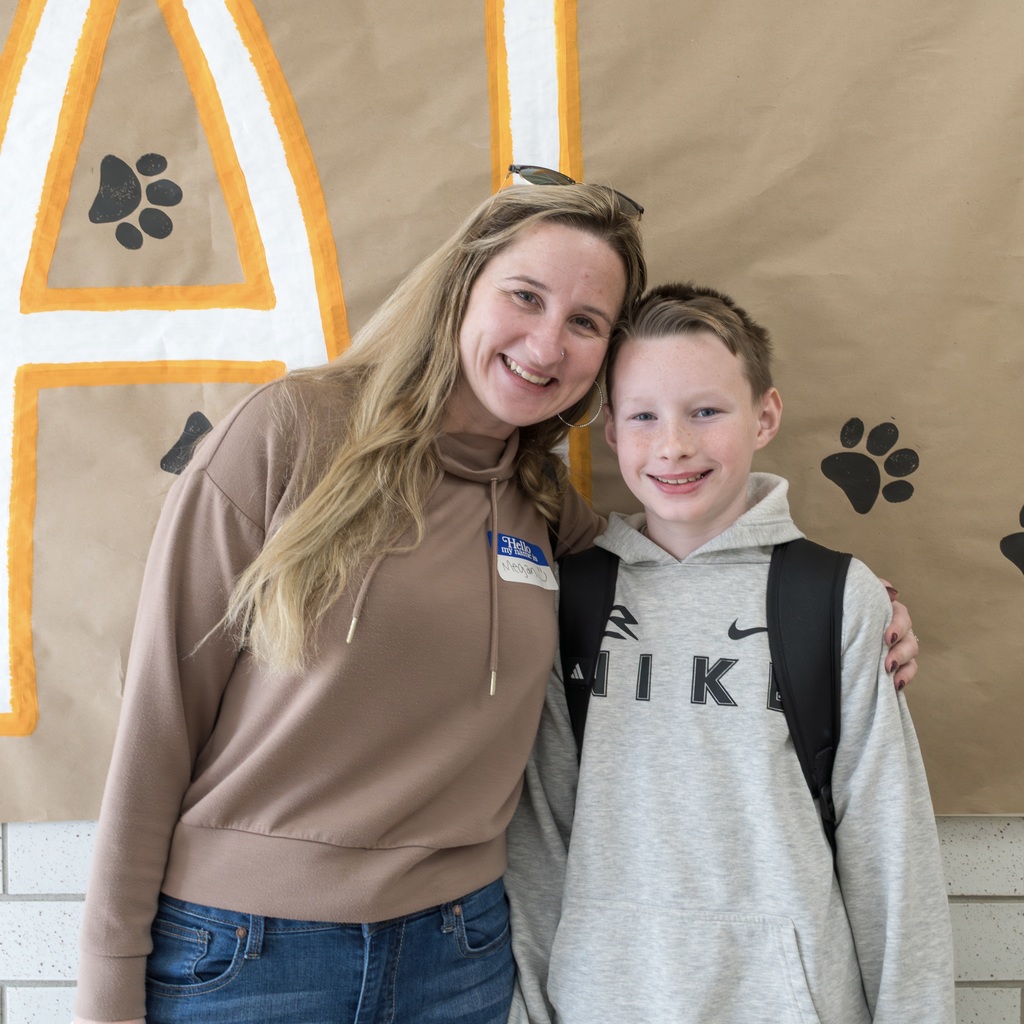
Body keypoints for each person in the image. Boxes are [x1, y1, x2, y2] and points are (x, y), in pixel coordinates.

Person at [73, 179, 918, 1024]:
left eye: (585, 323)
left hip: (461, 958)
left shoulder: (547, 506)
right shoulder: (288, 433)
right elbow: (157, 720)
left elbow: (680, 571)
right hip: (249, 952)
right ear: (460, 289)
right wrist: (107, 978)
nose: (547, 344)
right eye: (525, 297)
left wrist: (854, 604)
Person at [505, 283, 953, 1023]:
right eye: (644, 416)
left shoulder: (836, 597)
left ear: (765, 416)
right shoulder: (566, 598)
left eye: (705, 411)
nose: (674, 444)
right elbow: (539, 842)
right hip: (603, 1000)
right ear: (610, 429)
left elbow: (890, 854)